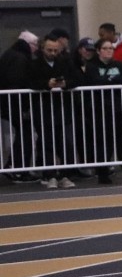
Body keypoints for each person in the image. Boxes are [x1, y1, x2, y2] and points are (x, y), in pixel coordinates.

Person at [29, 34, 82, 189]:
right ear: (42, 48)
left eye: (55, 50)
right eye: (49, 50)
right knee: (47, 143)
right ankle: (50, 175)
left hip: (63, 109)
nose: (53, 53)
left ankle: (65, 175)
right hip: (43, 110)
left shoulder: (65, 62)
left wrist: (65, 84)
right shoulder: (34, 64)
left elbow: (78, 79)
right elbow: (29, 82)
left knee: (66, 143)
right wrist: (47, 84)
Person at [84, 39, 122, 185]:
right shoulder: (92, 66)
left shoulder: (120, 65)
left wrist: (110, 79)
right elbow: (95, 81)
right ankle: (103, 174)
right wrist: (114, 80)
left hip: (121, 110)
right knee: (103, 143)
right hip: (102, 111)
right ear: (98, 51)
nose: (109, 51)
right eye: (105, 48)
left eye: (111, 48)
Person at [0, 32, 39, 183]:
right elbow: (17, 82)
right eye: (35, 45)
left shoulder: (9, 54)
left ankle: (15, 166)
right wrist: (24, 107)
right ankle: (17, 168)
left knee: (23, 133)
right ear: (29, 44)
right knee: (26, 133)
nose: (36, 49)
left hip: (8, 102)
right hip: (16, 104)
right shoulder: (20, 58)